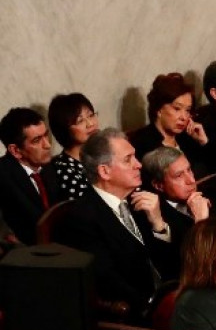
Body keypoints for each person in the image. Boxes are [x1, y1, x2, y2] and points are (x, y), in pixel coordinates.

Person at [55, 128, 178, 311]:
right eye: (128, 159)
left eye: (135, 157)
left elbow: (168, 261)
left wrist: (159, 226)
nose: (138, 165)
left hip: (171, 297)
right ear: (105, 171)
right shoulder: (81, 218)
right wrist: (153, 309)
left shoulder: (140, 201)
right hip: (137, 312)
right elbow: (108, 281)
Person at [129, 73, 210, 177]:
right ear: (159, 109)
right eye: (177, 109)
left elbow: (211, 171)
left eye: (187, 110)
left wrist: (203, 142)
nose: (184, 117)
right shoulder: (142, 143)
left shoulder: (187, 138)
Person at [0, 108, 61, 244]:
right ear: (15, 150)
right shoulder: (3, 176)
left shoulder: (51, 167)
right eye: (37, 140)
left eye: (46, 135)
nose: (48, 145)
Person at [141, 147, 211, 244]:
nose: (191, 180)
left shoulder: (211, 194)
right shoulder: (159, 221)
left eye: (189, 170)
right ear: (159, 185)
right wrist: (201, 221)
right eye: (179, 176)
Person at [47, 93, 100, 200]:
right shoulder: (65, 170)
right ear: (64, 129)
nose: (90, 124)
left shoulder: (103, 150)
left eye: (91, 115)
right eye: (80, 121)